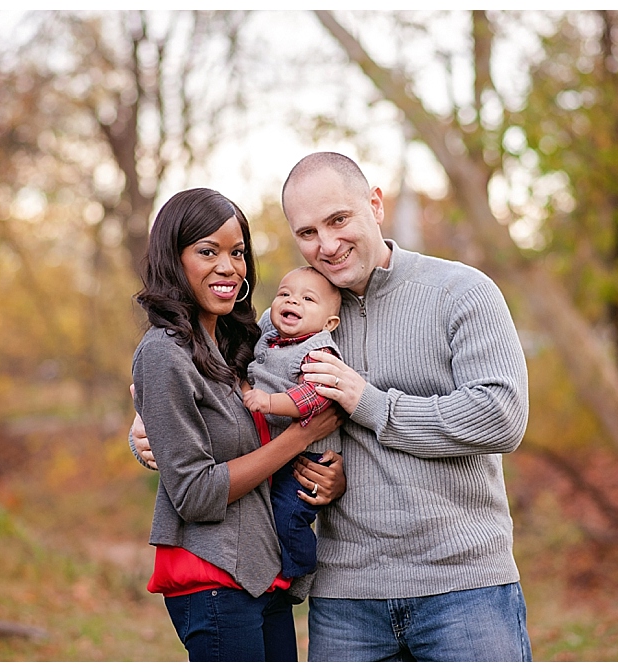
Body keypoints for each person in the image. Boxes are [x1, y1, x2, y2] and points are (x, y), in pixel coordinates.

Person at [131, 153, 532, 661]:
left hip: (462, 587)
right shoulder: (292, 314)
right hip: (345, 597)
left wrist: (370, 403)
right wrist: (146, 430)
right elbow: (220, 394)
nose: (327, 244)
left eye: (338, 220)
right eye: (307, 232)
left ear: (375, 204)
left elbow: (501, 417)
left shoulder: (460, 292)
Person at [129, 187, 344, 662]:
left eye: (238, 253)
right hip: (212, 578)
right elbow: (195, 493)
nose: (228, 267)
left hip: (261, 572)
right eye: (208, 251)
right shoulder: (165, 352)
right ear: (173, 258)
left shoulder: (240, 346)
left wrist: (327, 471)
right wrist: (300, 437)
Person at [242, 265, 344, 579]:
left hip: (309, 458)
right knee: (267, 513)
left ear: (329, 323)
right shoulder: (268, 339)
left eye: (307, 299)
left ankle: (299, 569)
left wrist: (269, 402)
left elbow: (314, 396)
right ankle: (277, 567)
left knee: (288, 514)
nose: (292, 301)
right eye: (284, 294)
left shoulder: (318, 351)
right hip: (278, 450)